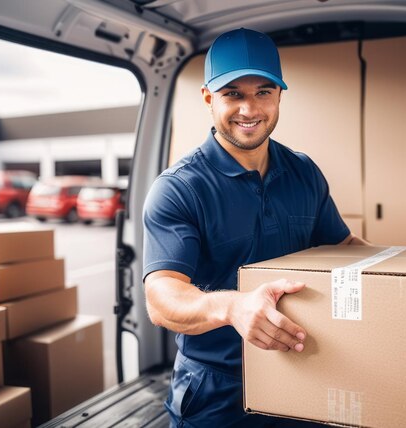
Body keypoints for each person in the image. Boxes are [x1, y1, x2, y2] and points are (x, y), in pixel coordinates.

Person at [143, 27, 369, 427]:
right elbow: (162, 297)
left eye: (263, 92)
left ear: (280, 95)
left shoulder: (303, 171)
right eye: (233, 94)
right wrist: (233, 307)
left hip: (304, 370)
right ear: (209, 98)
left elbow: (344, 245)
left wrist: (402, 277)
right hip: (218, 390)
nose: (250, 109)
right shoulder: (179, 188)